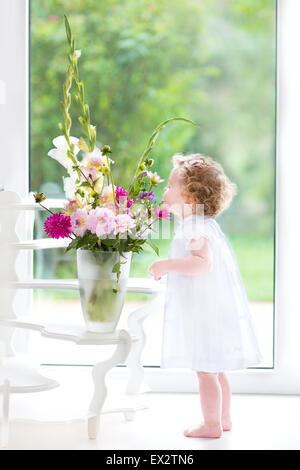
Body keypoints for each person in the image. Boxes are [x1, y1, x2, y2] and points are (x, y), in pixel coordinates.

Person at [149, 153, 262, 439]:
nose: (165, 190)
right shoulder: (201, 223)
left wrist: (167, 265)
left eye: (171, 185)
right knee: (215, 366)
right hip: (212, 309)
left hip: (205, 313)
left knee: (204, 370)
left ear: (188, 198)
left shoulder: (194, 227)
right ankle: (223, 418)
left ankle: (211, 424)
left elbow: (203, 264)